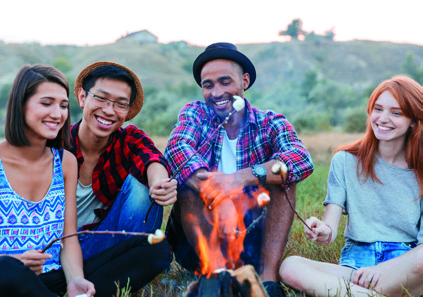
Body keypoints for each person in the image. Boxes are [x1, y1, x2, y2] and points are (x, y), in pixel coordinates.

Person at [164, 42, 314, 296]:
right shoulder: (195, 113)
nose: (216, 92)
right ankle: (215, 276)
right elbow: (177, 148)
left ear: (244, 80)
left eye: (225, 81)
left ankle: (267, 281)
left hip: (253, 237)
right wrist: (214, 190)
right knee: (189, 183)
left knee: (282, 176)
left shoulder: (269, 121)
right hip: (201, 240)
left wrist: (240, 178)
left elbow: (300, 159)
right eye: (208, 85)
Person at [279, 75, 423, 296]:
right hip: (355, 268)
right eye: (378, 109)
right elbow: (330, 229)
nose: (383, 119)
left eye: (396, 113)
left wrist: (381, 270)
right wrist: (322, 230)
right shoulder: (346, 160)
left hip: (403, 267)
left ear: (413, 120)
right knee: (290, 267)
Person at [70, 61, 177, 293]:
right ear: (82, 97)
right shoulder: (58, 145)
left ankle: (119, 272)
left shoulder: (127, 139)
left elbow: (152, 159)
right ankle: (102, 280)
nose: (109, 111)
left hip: (106, 245)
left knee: (142, 186)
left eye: (120, 104)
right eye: (101, 98)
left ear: (128, 111)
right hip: (59, 246)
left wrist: (159, 183)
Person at [0, 64, 95, 296]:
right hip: (6, 277)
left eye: (63, 105)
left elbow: (68, 236)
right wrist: (14, 260)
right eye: (46, 103)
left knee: (152, 251)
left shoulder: (65, 161)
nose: (57, 114)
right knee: (7, 269)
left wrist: (76, 280)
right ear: (20, 105)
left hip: (53, 276)